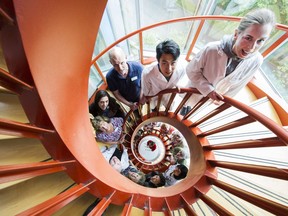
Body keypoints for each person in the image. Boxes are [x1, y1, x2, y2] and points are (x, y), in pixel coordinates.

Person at [185, 8, 276, 108]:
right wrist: (208, 90)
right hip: (194, 92)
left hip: (212, 101)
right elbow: (191, 71)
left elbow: (238, 86)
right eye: (248, 38)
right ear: (236, 34)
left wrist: (224, 100)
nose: (252, 47)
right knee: (186, 106)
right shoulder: (212, 49)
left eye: (261, 40)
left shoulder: (256, 61)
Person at [141, 39, 187, 110]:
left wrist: (178, 85)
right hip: (155, 98)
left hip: (170, 97)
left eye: (173, 63)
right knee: (154, 109)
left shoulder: (182, 68)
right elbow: (146, 92)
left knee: (169, 110)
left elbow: (183, 83)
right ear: (158, 60)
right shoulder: (147, 73)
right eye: (164, 63)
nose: (169, 69)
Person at [106, 47, 145, 114]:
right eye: (116, 65)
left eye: (122, 63)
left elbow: (145, 82)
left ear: (126, 57)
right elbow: (116, 94)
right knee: (137, 115)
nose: (120, 68)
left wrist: (142, 96)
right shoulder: (110, 77)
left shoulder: (138, 67)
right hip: (128, 101)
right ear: (111, 62)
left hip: (142, 95)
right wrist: (129, 104)